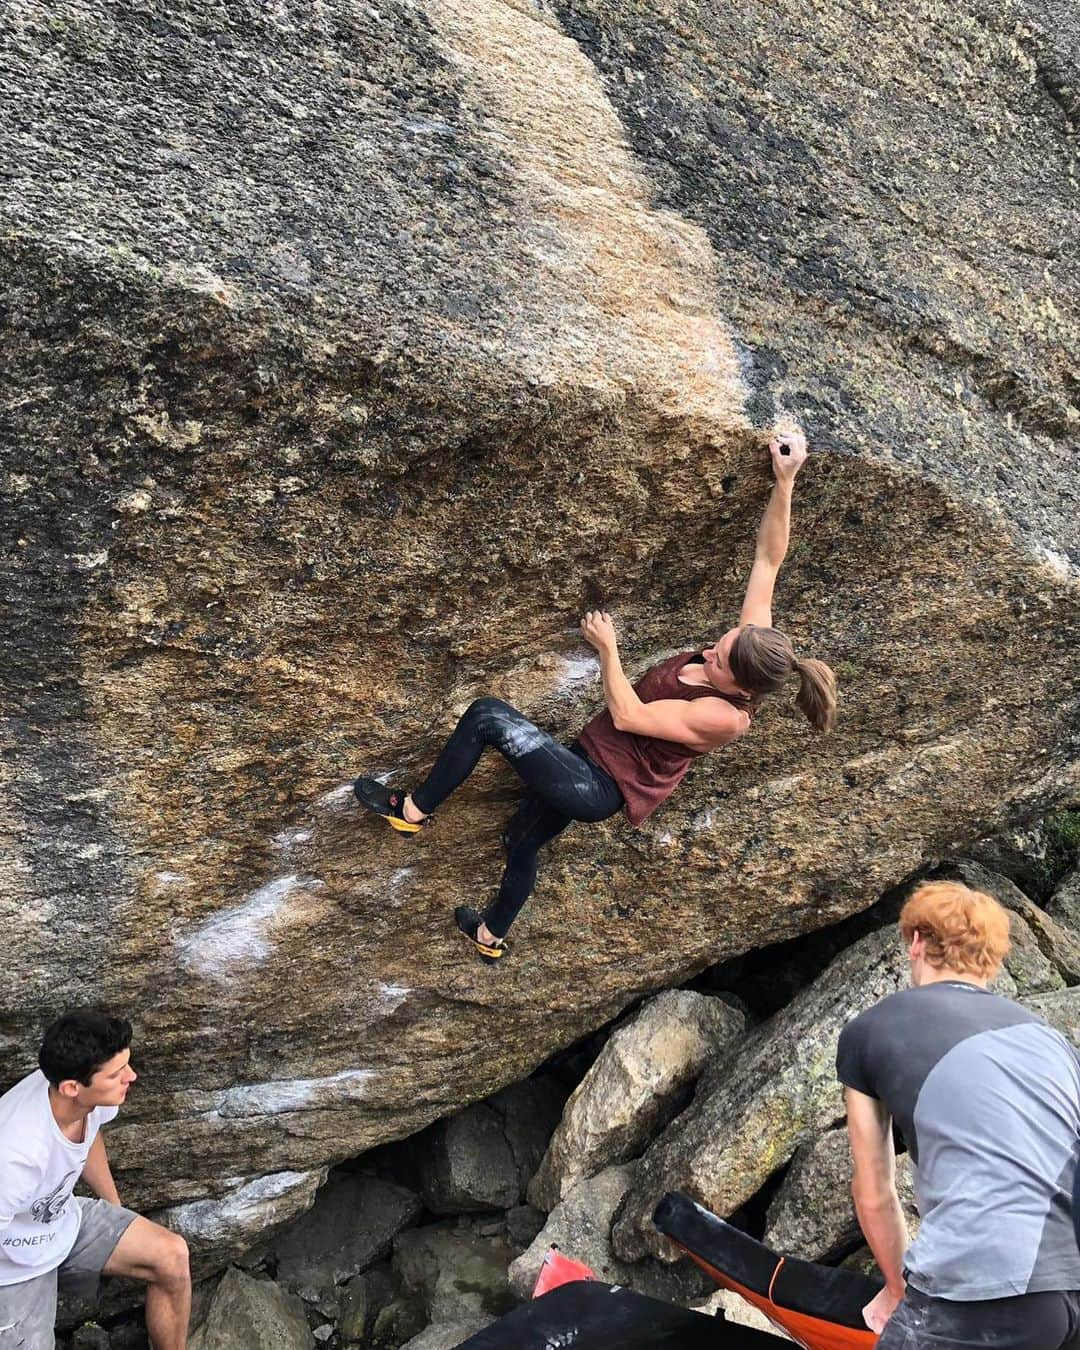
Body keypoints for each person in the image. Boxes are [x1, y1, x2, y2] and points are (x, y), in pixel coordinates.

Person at [355, 431, 836, 962]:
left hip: (597, 787)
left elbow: (628, 716)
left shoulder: (724, 716)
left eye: (719, 663)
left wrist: (609, 649)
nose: (711, 654)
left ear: (742, 690)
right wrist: (785, 480)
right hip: (586, 760)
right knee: (521, 840)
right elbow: (769, 560)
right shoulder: (752, 647)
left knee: (487, 716)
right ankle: (490, 938)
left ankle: (412, 812)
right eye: (721, 646)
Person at [837, 880, 1080, 1349]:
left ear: (915, 941)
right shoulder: (1050, 1039)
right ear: (993, 958)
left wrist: (896, 1290)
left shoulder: (870, 1031)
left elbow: (874, 1191)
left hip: (983, 1283)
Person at [0, 1009, 191, 1349]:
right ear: (72, 1087)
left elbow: (89, 1139)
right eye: (117, 1073)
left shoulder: (90, 1098)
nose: (130, 1077)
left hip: (62, 1221)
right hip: (14, 1268)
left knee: (171, 1256)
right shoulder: (15, 1153)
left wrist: (115, 1208)